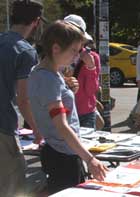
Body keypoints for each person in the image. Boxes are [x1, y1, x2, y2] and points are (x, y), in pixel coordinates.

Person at [28, 20, 108, 194]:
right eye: (73, 50)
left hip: (59, 151)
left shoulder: (44, 72)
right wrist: (90, 159)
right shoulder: (48, 78)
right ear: (56, 48)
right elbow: (62, 125)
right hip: (63, 155)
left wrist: (67, 89)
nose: (76, 56)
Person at [0, 1, 44, 196]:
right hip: (3, 126)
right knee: (14, 185)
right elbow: (23, 99)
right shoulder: (25, 51)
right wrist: (37, 129)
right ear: (36, 22)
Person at [64, 14, 101, 129]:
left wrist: (90, 67)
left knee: (86, 145)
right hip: (62, 111)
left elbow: (91, 91)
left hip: (85, 112)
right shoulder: (57, 55)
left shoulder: (93, 57)